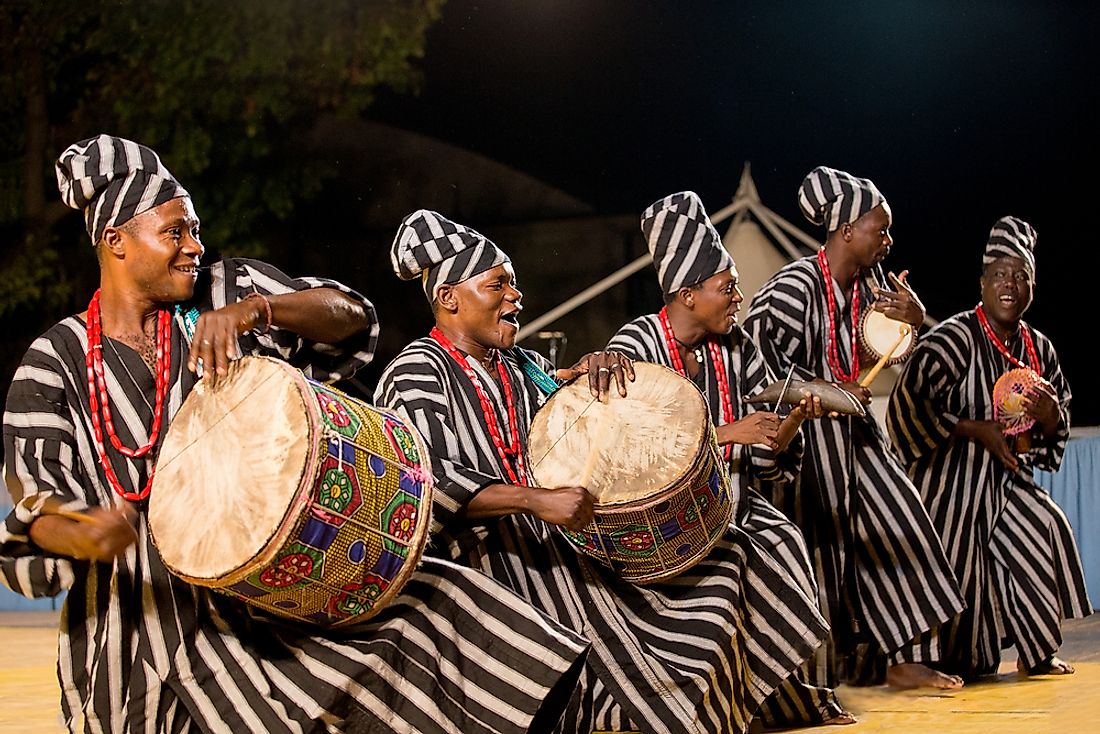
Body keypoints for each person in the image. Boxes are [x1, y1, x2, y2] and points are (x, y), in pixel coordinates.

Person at [1, 135, 589, 733]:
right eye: (175, 232)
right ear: (115, 241)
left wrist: (261, 310)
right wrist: (83, 532)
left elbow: (353, 317)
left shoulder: (225, 292)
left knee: (447, 607)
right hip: (132, 637)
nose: (194, 247)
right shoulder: (54, 362)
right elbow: (34, 512)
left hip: (265, 606)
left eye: (196, 230)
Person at [374, 209, 831, 734]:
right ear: (449, 298)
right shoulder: (417, 371)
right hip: (492, 560)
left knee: (731, 558)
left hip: (555, 536)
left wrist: (585, 375)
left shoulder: (516, 365)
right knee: (635, 641)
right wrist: (533, 501)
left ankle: (744, 708)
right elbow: (425, 483)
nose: (515, 296)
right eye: (498, 284)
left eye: (515, 284)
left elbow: (564, 414)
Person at [607, 190, 853, 728]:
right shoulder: (634, 346)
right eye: (728, 287)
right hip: (660, 524)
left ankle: (792, 695)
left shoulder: (737, 346)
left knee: (786, 542)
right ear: (687, 294)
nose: (739, 296)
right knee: (732, 572)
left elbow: (764, 437)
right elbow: (627, 449)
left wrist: (783, 433)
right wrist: (726, 433)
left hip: (735, 501)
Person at [742, 166, 966, 690]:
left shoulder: (874, 288)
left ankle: (906, 656)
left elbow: (887, 351)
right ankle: (816, 674)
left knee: (904, 519)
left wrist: (914, 320)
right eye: (880, 229)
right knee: (820, 551)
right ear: (846, 230)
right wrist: (822, 390)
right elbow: (755, 370)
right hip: (805, 440)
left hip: (859, 437)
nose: (888, 240)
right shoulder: (793, 287)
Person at [886, 215, 1092, 679]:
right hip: (946, 480)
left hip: (1003, 480)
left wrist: (1050, 416)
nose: (1009, 284)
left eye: (1021, 276)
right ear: (981, 282)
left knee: (1045, 525)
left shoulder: (1039, 349)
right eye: (999, 273)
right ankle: (919, 660)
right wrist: (972, 428)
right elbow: (910, 405)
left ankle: (1037, 651)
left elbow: (1056, 424)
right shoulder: (952, 339)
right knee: (950, 542)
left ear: (1032, 287)